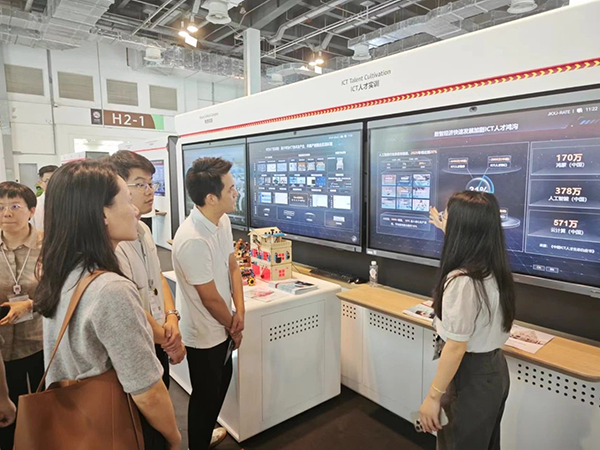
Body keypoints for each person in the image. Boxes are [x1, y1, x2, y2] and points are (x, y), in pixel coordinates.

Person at [35, 161, 181, 450]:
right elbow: (148, 392)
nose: (135, 210)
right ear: (102, 214)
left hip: (78, 424)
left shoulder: (61, 269)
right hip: (117, 428)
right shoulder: (111, 289)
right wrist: (175, 438)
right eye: (127, 200)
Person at [419, 191, 515, 450]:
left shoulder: (462, 281)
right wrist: (446, 228)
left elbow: (456, 347)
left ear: (462, 229)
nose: (443, 221)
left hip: (470, 377)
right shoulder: (491, 268)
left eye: (447, 218)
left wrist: (432, 397)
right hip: (493, 372)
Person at [172, 157, 245, 450]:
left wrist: (240, 313)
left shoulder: (221, 220)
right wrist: (234, 326)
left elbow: (233, 267)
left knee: (220, 385)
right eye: (231, 189)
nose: (236, 193)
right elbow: (210, 298)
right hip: (203, 334)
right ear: (211, 197)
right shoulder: (193, 238)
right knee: (205, 396)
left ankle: (204, 437)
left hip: (224, 325)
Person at [109, 150, 185, 389]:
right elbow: (130, 305)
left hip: (159, 334)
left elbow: (157, 277)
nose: (150, 191)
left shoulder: (143, 229)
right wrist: (170, 341)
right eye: (140, 184)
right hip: (139, 342)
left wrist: (171, 316)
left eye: (151, 184)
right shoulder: (114, 242)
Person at [0, 182, 44, 449]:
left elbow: (63, 291)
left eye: (15, 206)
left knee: (45, 408)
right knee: (7, 415)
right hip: (2, 349)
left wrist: (30, 305)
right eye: (0, 207)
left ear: (31, 211)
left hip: (40, 342)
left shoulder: (48, 245)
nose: (6, 213)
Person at [31, 165, 58, 231]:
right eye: (48, 181)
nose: (53, 184)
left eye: (56, 180)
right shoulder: (34, 204)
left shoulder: (69, 202)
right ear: (40, 184)